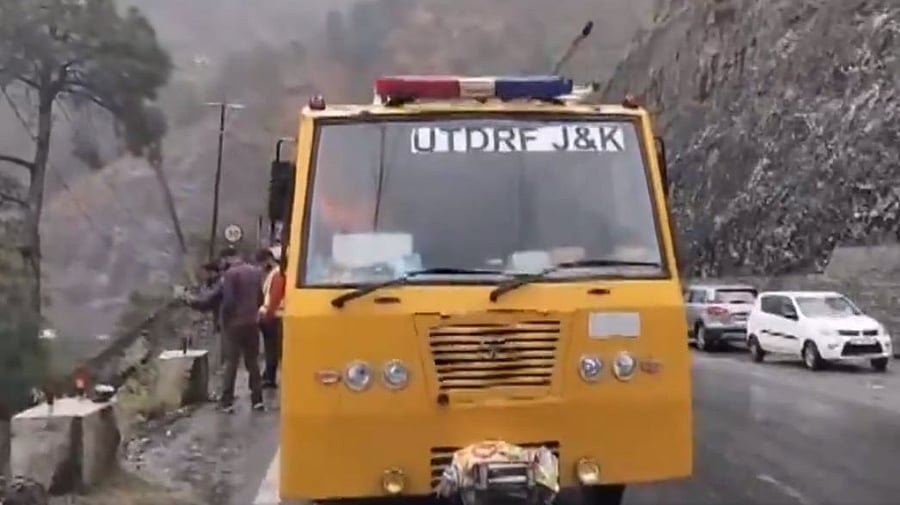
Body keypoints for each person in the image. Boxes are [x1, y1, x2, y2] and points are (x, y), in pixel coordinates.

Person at [186, 248, 265, 413]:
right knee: (252, 362)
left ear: (227, 258)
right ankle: (257, 400)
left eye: (222, 261)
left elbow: (227, 301)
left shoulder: (229, 275)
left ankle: (227, 402)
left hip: (234, 325)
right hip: (252, 323)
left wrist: (225, 320)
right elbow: (260, 297)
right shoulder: (256, 272)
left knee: (231, 363)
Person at [256, 246, 285, 388]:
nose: (260, 267)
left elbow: (274, 297)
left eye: (261, 263)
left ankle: (270, 377)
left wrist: (268, 313)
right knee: (270, 349)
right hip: (271, 315)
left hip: (273, 316)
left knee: (272, 349)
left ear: (268, 260)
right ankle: (268, 375)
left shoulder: (278, 274)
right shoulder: (273, 273)